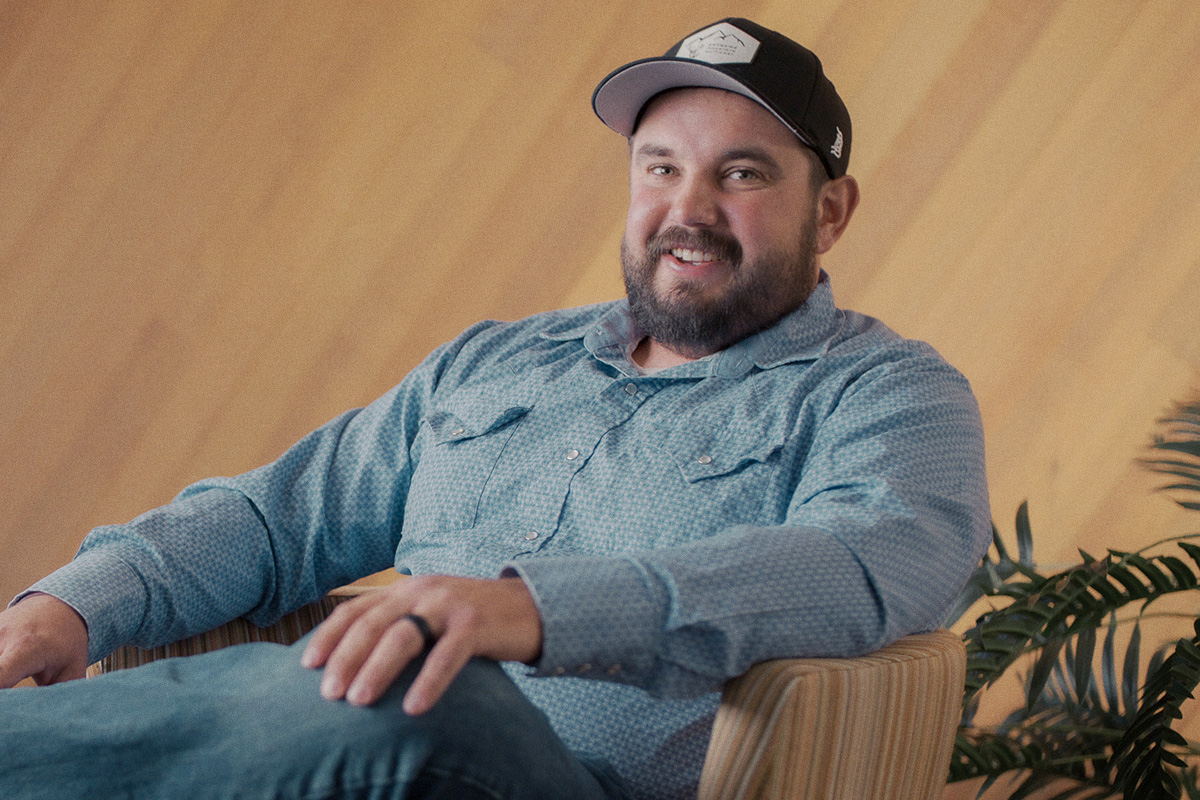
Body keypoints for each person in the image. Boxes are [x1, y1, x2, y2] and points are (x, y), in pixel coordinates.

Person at [0, 17, 991, 800]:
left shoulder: (891, 395)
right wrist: (76, 598)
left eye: (741, 173)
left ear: (830, 211)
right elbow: (281, 514)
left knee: (415, 681)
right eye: (660, 165)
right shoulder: (501, 358)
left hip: (549, 774)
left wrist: (525, 608)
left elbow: (858, 563)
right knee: (369, 678)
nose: (688, 206)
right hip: (345, 762)